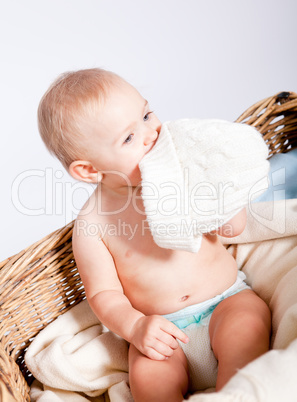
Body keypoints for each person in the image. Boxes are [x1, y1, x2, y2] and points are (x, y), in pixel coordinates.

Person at [38, 68, 271, 402]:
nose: (151, 134)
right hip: (161, 330)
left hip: (227, 302)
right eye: (129, 138)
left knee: (246, 335)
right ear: (90, 170)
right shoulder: (93, 223)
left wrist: (224, 202)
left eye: (147, 115)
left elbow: (232, 228)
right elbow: (104, 293)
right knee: (150, 383)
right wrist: (135, 328)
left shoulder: (184, 175)